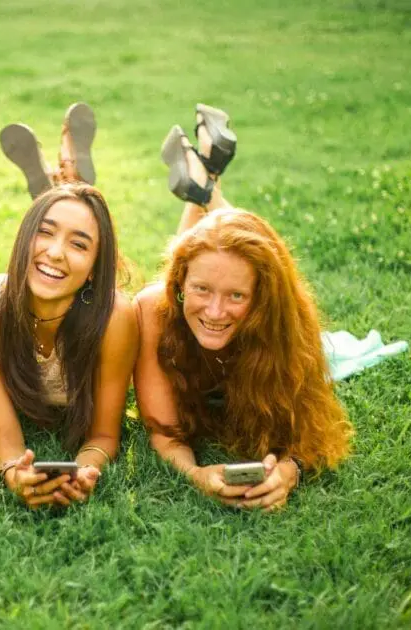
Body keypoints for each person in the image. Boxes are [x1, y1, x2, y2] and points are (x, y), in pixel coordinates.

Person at [133, 104, 353, 511]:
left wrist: (290, 471)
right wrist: (196, 474)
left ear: (262, 297)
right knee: (212, 256)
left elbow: (309, 433)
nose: (216, 312)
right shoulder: (151, 310)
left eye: (237, 296)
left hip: (241, 290)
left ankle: (205, 184)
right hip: (170, 297)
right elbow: (165, 433)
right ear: (179, 284)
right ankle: (206, 185)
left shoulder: (284, 315)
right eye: (200, 290)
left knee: (226, 254)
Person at [0, 104, 138, 509]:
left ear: (93, 270)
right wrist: (16, 474)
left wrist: (86, 471)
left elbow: (104, 436)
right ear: (23, 238)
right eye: (44, 233)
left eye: (79, 244)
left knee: (73, 213)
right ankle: (67, 178)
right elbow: (7, 441)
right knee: (70, 214)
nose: (55, 253)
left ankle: (68, 178)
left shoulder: (117, 318)